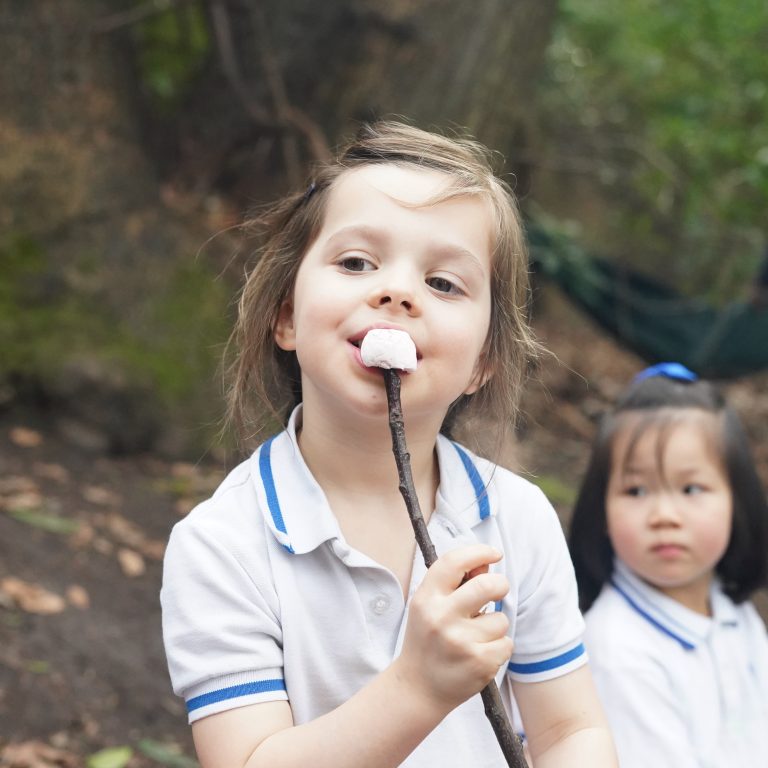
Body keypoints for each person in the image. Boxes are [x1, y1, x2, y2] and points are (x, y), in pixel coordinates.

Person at [161, 120, 617, 767]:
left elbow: (571, 732)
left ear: (484, 359)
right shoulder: (223, 544)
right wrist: (418, 687)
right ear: (285, 314)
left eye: (443, 283)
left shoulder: (515, 520)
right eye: (355, 262)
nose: (397, 291)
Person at [568, 361, 768, 767]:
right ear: (601, 508)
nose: (664, 515)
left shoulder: (737, 614)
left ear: (737, 499)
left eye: (691, 488)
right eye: (636, 490)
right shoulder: (618, 649)